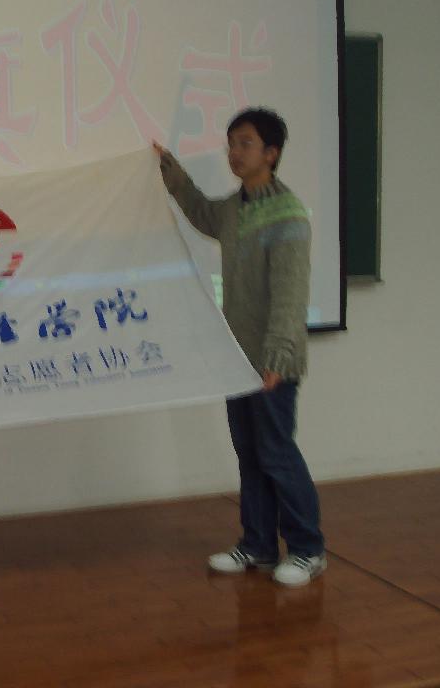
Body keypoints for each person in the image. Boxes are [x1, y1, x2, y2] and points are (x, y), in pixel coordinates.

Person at [152, 107, 326, 587]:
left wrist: (277, 357)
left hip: (272, 361)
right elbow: (202, 212)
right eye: (231, 143)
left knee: (276, 453)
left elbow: (290, 294)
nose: (234, 152)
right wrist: (168, 167)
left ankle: (308, 549)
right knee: (249, 454)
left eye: (245, 143)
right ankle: (259, 545)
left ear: (271, 153)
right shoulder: (234, 209)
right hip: (237, 357)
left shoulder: (288, 213)